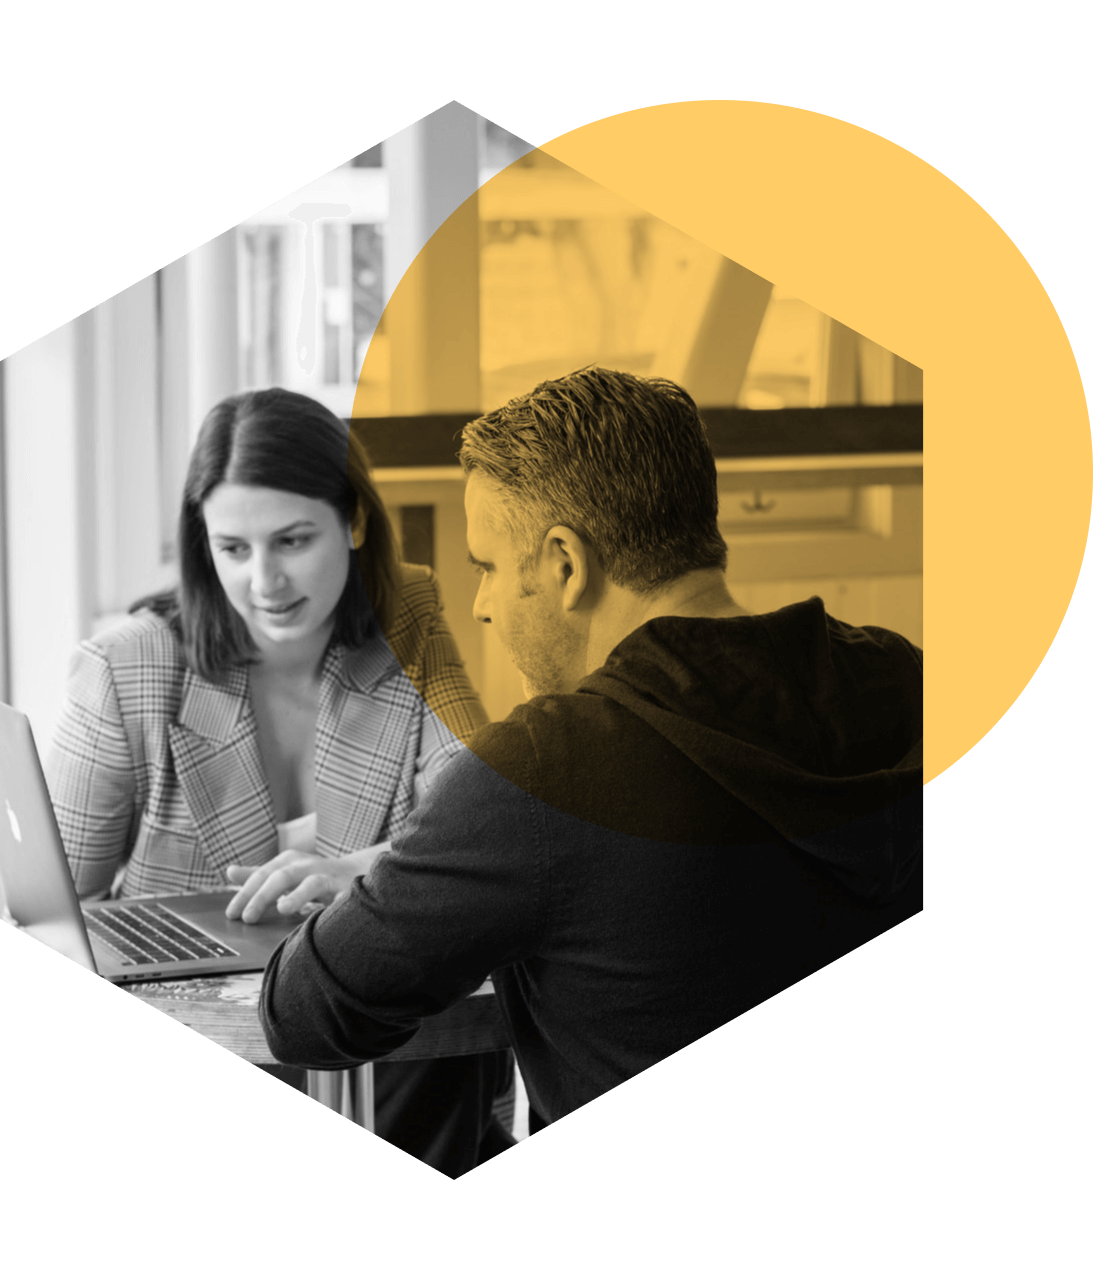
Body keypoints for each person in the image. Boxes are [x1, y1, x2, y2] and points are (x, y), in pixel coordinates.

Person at [258, 367, 924, 1134]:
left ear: (566, 565)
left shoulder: (544, 770)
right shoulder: (904, 681)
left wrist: (422, 870)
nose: (480, 604)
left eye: (487, 568)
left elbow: (302, 1012)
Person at [45, 387, 516, 1173]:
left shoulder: (406, 617)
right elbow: (55, 910)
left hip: (370, 1042)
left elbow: (482, 827)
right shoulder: (128, 668)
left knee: (434, 1041)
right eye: (233, 549)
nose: (264, 580)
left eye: (292, 541)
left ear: (354, 522)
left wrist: (359, 870)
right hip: (214, 1028)